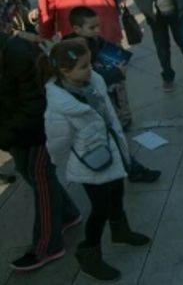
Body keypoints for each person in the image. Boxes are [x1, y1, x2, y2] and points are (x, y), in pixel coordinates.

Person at [43, 38, 151, 282]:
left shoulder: (93, 81)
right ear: (65, 71)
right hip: (90, 164)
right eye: (83, 66)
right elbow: (57, 143)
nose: (89, 69)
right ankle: (88, 254)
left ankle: (120, 231)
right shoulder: (59, 106)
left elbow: (108, 113)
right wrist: (64, 160)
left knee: (117, 193)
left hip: (111, 150)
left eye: (90, 64)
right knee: (100, 209)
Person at [1, 32, 81, 272]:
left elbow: (36, 105)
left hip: (41, 126)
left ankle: (48, 245)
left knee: (41, 178)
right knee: (27, 171)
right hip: (15, 126)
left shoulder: (20, 55)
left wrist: (5, 134)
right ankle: (68, 213)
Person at [63, 6, 162, 183]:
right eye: (92, 27)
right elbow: (88, 77)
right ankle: (131, 169)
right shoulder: (77, 50)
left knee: (112, 137)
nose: (97, 30)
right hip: (92, 104)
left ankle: (128, 168)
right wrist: (116, 73)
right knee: (112, 138)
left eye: (97, 26)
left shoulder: (92, 41)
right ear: (77, 29)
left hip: (100, 100)